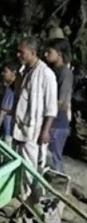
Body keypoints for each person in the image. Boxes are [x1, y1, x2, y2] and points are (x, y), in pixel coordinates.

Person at [11, 37, 58, 182]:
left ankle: (33, 200)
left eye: (22, 52)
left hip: (34, 131)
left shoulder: (46, 74)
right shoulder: (23, 71)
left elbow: (51, 107)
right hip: (19, 127)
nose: (18, 55)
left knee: (30, 169)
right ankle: (22, 198)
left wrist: (45, 131)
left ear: (32, 52)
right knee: (17, 166)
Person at [43, 38, 73, 173]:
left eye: (49, 52)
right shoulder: (51, 71)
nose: (45, 54)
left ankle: (58, 186)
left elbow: (62, 102)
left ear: (59, 54)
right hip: (49, 121)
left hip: (57, 123)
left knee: (54, 160)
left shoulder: (65, 74)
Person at [0, 64, 17, 145]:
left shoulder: (15, 90)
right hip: (4, 129)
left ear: (13, 73)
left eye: (5, 71)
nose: (2, 74)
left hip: (9, 131)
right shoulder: (6, 87)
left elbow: (4, 110)